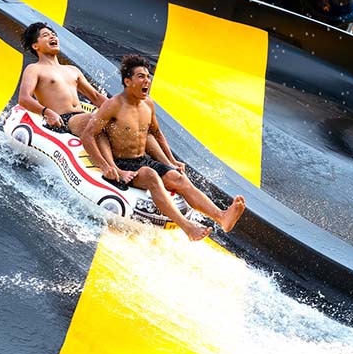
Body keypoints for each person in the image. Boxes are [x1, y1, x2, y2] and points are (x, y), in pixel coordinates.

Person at [80, 54, 246, 241]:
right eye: (141, 76)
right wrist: (107, 167)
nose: (147, 81)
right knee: (151, 176)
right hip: (124, 164)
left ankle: (221, 217)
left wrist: (172, 160)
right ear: (127, 81)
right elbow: (88, 135)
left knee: (178, 178)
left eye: (148, 76)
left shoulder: (148, 104)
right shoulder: (113, 106)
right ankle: (188, 227)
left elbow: (157, 134)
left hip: (143, 159)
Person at [17, 22, 168, 179]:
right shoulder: (35, 69)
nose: (52, 36)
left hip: (80, 114)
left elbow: (95, 97)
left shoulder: (72, 70)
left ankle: (166, 164)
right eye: (45, 35)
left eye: (53, 34)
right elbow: (24, 98)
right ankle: (113, 169)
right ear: (36, 46)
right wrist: (47, 112)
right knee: (96, 122)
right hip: (64, 119)